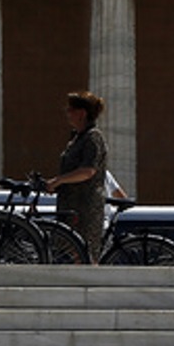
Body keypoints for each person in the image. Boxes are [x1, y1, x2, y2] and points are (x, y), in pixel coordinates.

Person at [44, 90, 109, 262]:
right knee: (75, 251)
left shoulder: (93, 137)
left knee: (86, 252)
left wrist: (59, 180)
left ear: (81, 113)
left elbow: (88, 170)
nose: (67, 113)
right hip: (72, 202)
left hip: (85, 205)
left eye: (70, 110)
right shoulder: (77, 138)